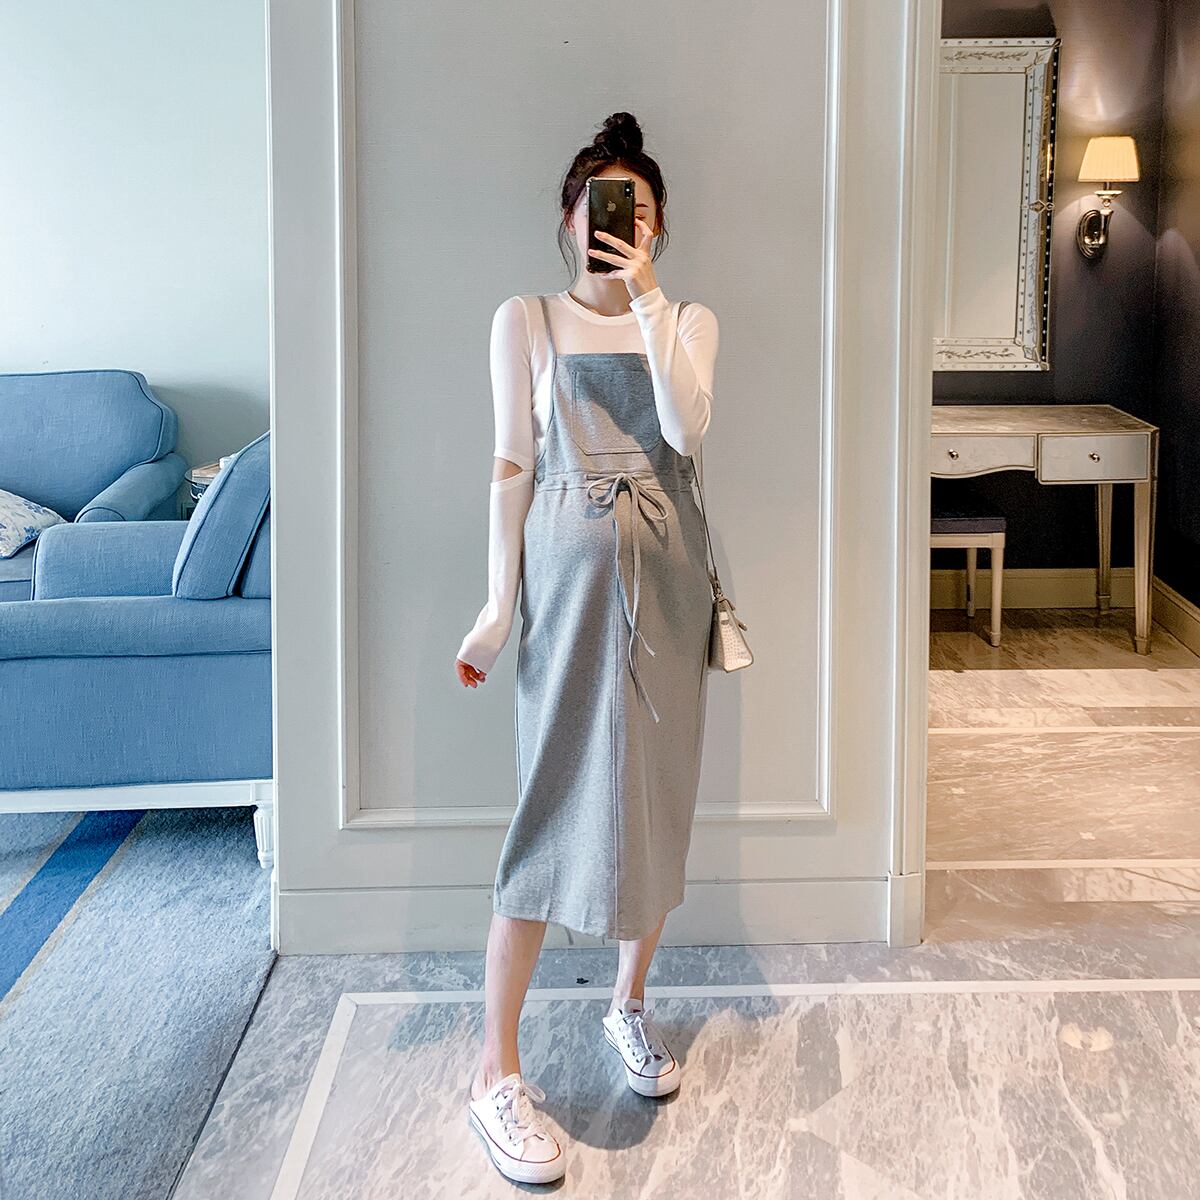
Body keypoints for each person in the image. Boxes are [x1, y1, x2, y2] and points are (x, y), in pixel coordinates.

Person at [453, 110, 719, 1185]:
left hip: (669, 588)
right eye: (604, 207)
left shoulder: (687, 319)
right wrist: (494, 605)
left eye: (639, 213)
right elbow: (511, 464)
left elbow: (686, 432)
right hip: (564, 596)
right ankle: (493, 1071)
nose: (619, 225)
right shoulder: (524, 320)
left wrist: (647, 297)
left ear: (658, 228)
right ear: (570, 218)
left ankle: (627, 1004)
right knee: (550, 803)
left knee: (651, 799)